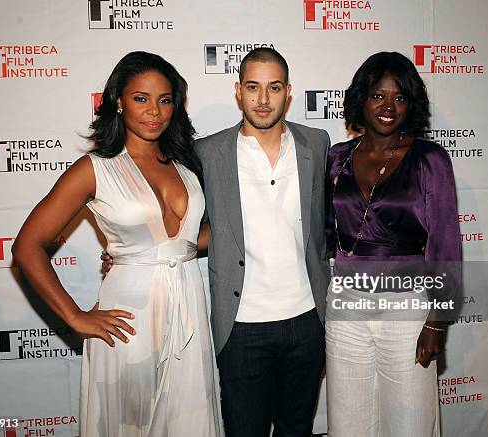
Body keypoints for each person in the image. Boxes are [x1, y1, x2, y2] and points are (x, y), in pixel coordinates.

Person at [104, 47, 330, 436]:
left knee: (298, 428)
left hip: (307, 320)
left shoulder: (318, 143)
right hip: (240, 327)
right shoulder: (207, 153)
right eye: (253, 87)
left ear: (288, 92)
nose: (263, 99)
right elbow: (185, 220)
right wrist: (134, 252)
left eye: (274, 87)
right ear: (238, 91)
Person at [12, 51, 219, 436]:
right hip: (128, 321)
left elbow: (189, 240)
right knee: (128, 424)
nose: (154, 111)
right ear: (119, 102)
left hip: (189, 309)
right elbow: (27, 246)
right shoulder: (95, 168)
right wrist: (74, 317)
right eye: (141, 98)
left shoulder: (186, 163)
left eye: (165, 99)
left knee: (189, 422)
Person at [324, 51, 461, 437]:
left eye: (399, 98)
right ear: (361, 99)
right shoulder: (337, 158)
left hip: (407, 309)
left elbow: (446, 243)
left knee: (410, 422)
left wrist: (437, 321)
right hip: (346, 308)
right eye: (378, 96)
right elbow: (325, 233)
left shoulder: (429, 159)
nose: (388, 107)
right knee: (347, 420)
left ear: (411, 104)